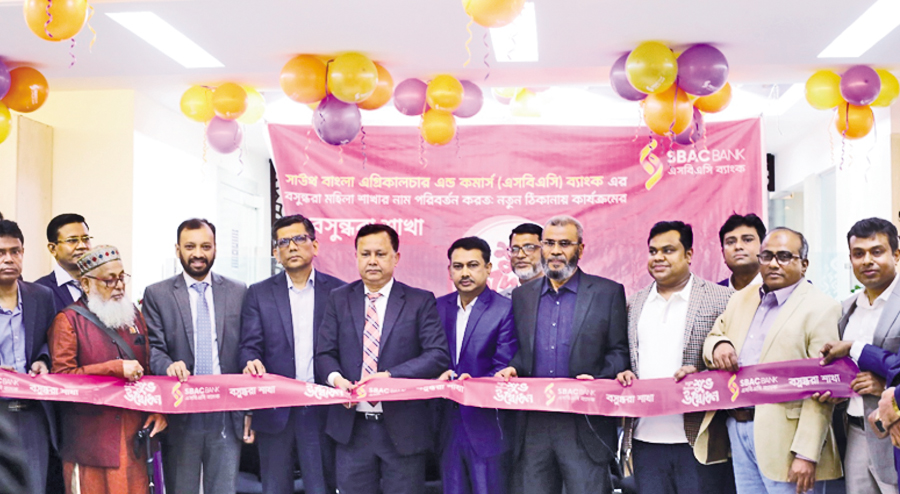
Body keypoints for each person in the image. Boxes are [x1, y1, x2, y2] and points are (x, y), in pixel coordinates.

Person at [698, 227, 841, 494]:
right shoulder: (741, 299)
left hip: (788, 441)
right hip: (738, 428)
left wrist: (807, 453)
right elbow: (714, 336)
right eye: (767, 256)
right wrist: (719, 345)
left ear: (804, 264)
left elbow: (822, 388)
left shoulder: (822, 308)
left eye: (784, 256)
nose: (774, 264)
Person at [495, 215, 628, 494]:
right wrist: (513, 368)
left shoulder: (607, 292)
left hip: (584, 423)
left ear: (580, 249)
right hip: (533, 427)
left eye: (565, 244)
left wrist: (598, 377)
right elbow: (522, 352)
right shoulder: (523, 296)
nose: (556, 251)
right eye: (549, 243)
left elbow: (619, 351)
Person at [316, 223, 450, 494]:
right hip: (351, 429)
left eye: (380, 254)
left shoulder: (419, 301)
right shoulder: (339, 299)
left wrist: (390, 378)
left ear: (396, 257)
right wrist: (337, 380)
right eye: (365, 254)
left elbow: (437, 355)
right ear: (356, 257)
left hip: (403, 429)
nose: (372, 261)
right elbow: (324, 353)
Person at [616, 221, 735, 494]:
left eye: (668, 250)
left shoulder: (723, 299)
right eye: (653, 251)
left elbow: (738, 364)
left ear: (689, 254)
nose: (658, 257)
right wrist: (622, 372)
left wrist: (703, 378)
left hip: (699, 438)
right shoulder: (633, 304)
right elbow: (624, 358)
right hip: (645, 439)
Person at [48, 245, 167, 494]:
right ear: (86, 284)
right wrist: (114, 369)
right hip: (91, 445)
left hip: (135, 440)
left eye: (122, 277)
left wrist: (157, 410)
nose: (119, 286)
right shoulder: (68, 321)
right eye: (109, 280)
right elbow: (62, 381)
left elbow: (147, 371)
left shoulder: (134, 316)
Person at [239, 214, 345, 494]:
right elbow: (249, 345)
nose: (292, 247)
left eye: (299, 239)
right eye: (284, 242)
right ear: (276, 253)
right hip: (275, 410)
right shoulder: (259, 293)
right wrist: (250, 362)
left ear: (315, 245)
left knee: (321, 487)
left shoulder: (339, 291)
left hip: (322, 408)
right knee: (275, 488)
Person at [142, 218, 248, 494]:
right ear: (177, 249)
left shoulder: (238, 291)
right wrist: (168, 366)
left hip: (226, 411)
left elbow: (247, 347)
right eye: (190, 246)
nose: (198, 253)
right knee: (182, 488)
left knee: (224, 489)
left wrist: (248, 409)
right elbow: (152, 348)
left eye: (205, 246)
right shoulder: (157, 294)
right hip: (181, 410)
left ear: (216, 248)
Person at [819, 218, 900, 491]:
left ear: (896, 255)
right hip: (854, 430)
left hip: (895, 430)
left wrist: (886, 386)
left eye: (877, 251)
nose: (867, 260)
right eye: (858, 253)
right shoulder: (846, 308)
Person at [436, 236, 517, 494]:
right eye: (458, 266)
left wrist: (474, 385)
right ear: (449, 270)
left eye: (472, 265)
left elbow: (504, 363)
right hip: (446, 426)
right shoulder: (437, 307)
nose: (465, 273)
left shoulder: (505, 309)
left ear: (488, 268)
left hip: (487, 427)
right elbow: (430, 356)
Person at [0, 219, 57, 494]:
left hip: (33, 414)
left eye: (15, 251)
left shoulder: (41, 296)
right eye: (0, 253)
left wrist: (43, 360)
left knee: (35, 486)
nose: (8, 259)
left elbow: (52, 341)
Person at [34, 214, 92, 313]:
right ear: (53, 249)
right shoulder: (39, 291)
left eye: (86, 239)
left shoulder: (103, 283)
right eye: (72, 240)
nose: (82, 246)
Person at [717, 213, 766, 291]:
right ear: (723, 253)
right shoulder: (713, 294)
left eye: (747, 240)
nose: (738, 246)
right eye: (731, 242)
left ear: (763, 248)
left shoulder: (779, 291)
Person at [500, 223, 545, 298]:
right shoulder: (500, 300)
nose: (520, 255)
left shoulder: (561, 297)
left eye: (529, 248)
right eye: (515, 249)